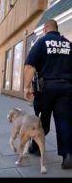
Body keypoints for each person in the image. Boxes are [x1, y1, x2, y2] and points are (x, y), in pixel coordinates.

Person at [24, 19, 72, 169]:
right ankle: (68, 155)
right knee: (64, 121)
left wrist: (26, 87)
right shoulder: (68, 44)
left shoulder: (41, 42)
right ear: (57, 29)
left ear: (45, 29)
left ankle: (36, 147)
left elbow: (30, 66)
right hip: (66, 87)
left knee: (42, 120)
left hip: (46, 88)